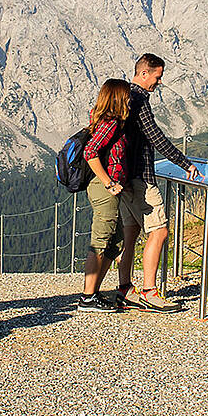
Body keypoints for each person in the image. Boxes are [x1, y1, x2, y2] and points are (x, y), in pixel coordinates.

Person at [116, 53, 199, 313]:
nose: (158, 82)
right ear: (144, 73)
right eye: (157, 76)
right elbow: (156, 138)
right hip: (141, 177)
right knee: (160, 230)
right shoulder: (139, 99)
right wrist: (185, 163)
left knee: (131, 234)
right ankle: (150, 292)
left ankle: (125, 288)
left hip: (123, 178)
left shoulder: (122, 96)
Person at [76, 79, 134, 312]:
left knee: (115, 239)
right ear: (119, 97)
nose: (130, 100)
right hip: (103, 189)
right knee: (101, 239)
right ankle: (87, 297)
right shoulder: (111, 122)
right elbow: (91, 152)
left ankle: (94, 293)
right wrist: (109, 182)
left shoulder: (102, 117)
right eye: (127, 96)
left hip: (107, 187)